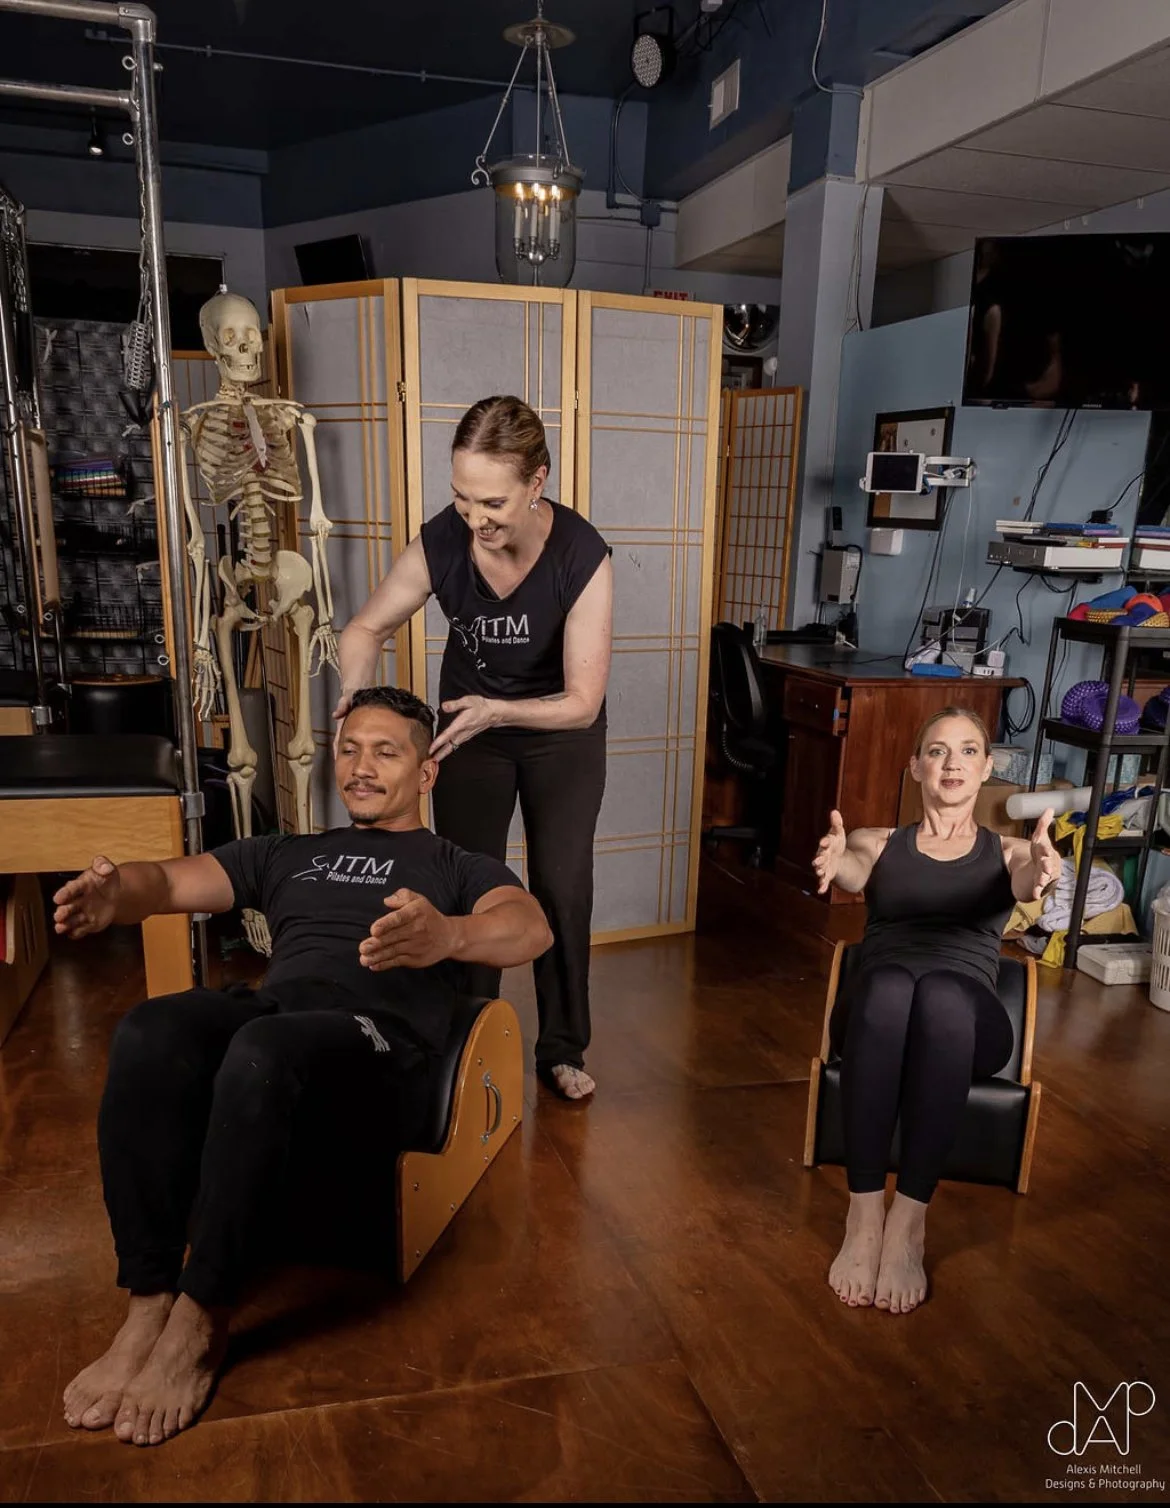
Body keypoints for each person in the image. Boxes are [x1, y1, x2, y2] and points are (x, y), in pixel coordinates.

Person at [54, 685, 552, 1447]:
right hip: (279, 1015)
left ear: (425, 774)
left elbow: (529, 929)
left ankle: (200, 1317)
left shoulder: (455, 864)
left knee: (263, 1050)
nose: (361, 767)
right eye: (350, 749)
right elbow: (175, 881)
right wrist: (118, 890)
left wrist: (446, 936)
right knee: (152, 1027)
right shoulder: (291, 852)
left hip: (379, 1041)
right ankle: (149, 1296)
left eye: (386, 752)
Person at [334, 395, 613, 1101]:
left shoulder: (581, 554)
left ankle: (562, 1047)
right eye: (461, 499)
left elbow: (581, 703)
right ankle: (467, 1041)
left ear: (536, 482)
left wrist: (503, 710)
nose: (476, 519)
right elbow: (364, 630)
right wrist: (356, 701)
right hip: (469, 732)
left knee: (562, 888)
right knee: (474, 887)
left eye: (492, 502)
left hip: (560, 738)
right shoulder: (442, 541)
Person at [811, 707, 1060, 1315]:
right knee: (893, 982)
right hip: (876, 1009)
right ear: (916, 766)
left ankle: (910, 1220)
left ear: (987, 768)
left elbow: (1030, 878)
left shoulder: (1007, 852)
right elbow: (850, 868)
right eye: (939, 751)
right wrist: (833, 859)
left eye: (968, 750)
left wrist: (1043, 867)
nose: (953, 763)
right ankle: (866, 1213)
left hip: (967, 1017)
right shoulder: (878, 841)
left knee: (942, 992)